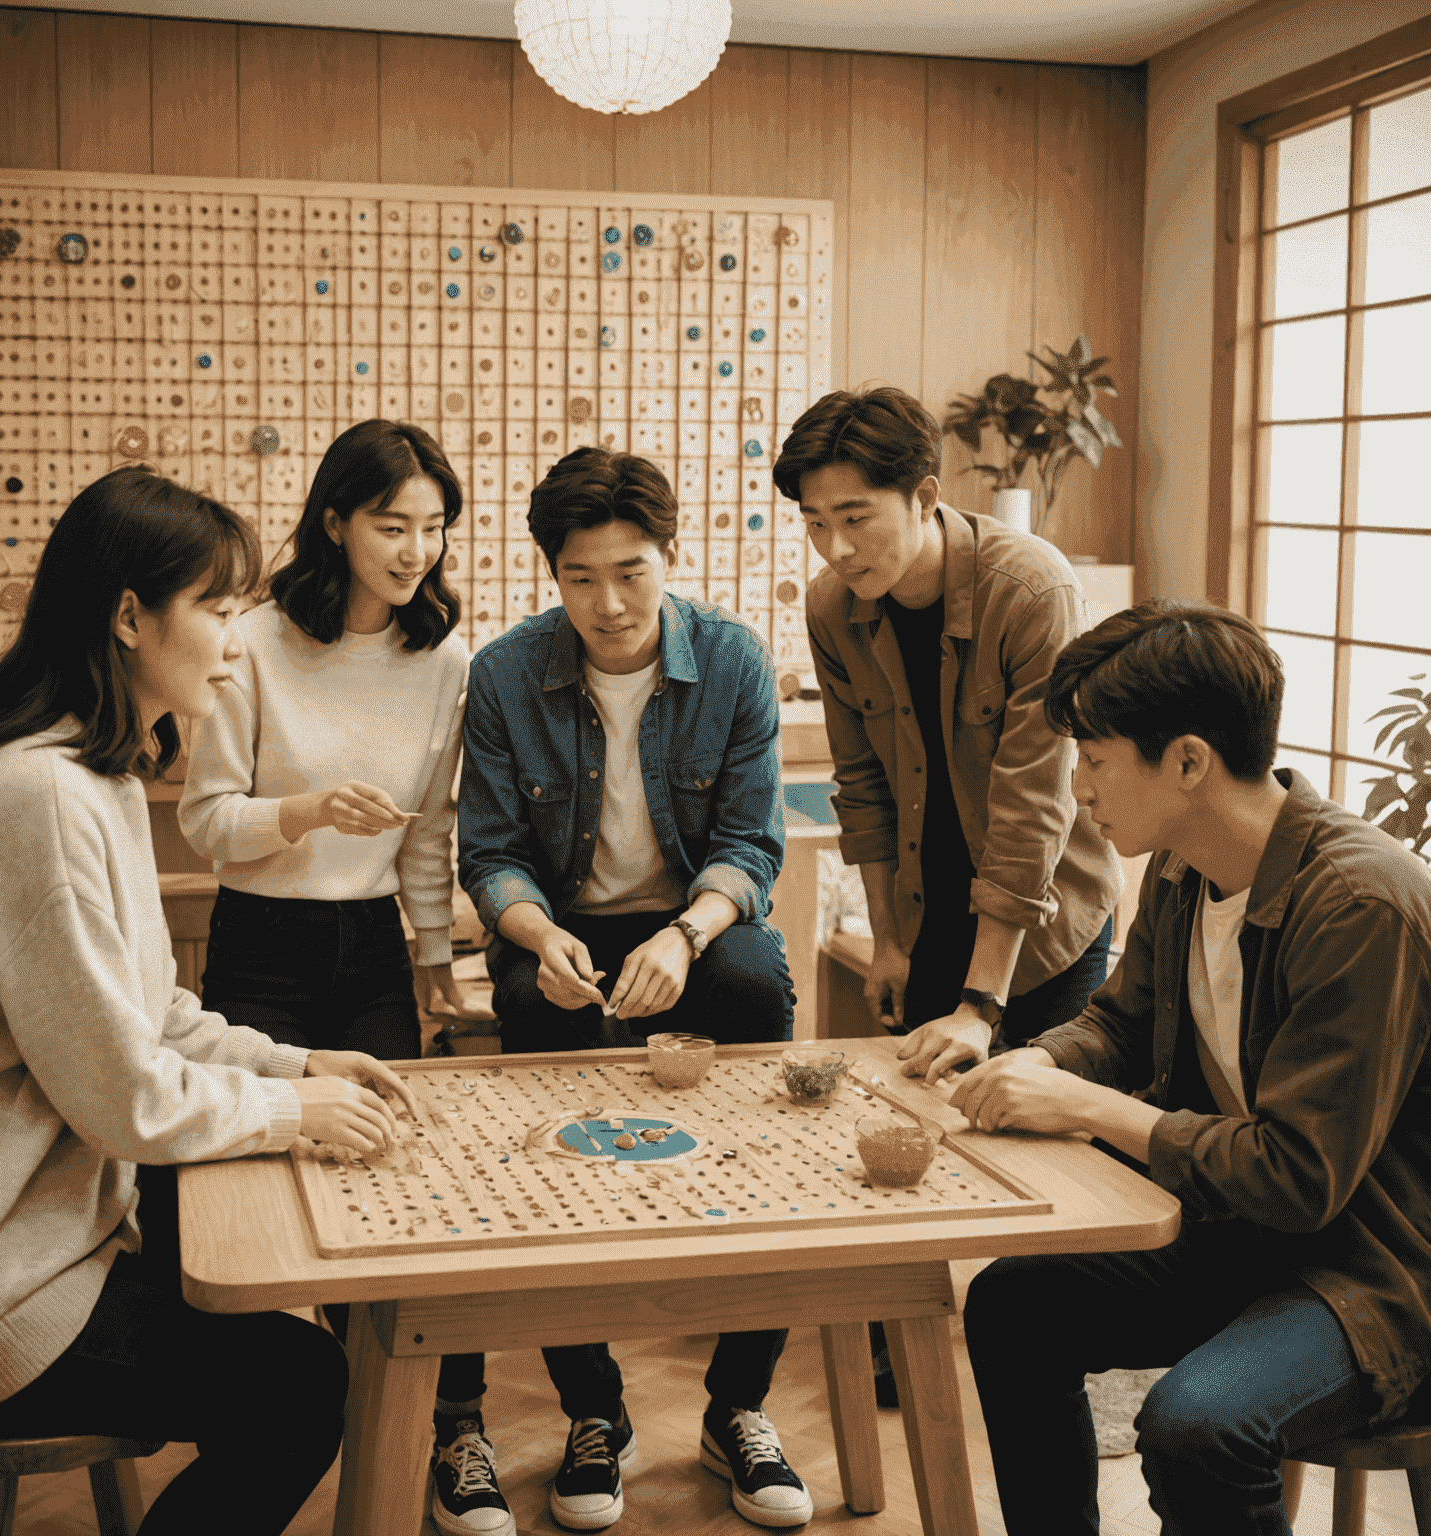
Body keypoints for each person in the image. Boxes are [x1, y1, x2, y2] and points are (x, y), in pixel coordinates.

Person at [0, 468, 410, 1536]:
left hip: (52, 1251)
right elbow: (126, 1096)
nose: (237, 639)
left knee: (278, 1336)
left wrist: (299, 1067)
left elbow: (158, 1015)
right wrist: (292, 1115)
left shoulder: (102, 779)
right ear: (129, 616)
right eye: (219, 611)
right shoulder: (39, 796)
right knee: (299, 1387)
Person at [954, 599, 1431, 1535]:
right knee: (1011, 1305)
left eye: (1093, 760)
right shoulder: (1182, 865)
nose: (1079, 788)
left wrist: (1089, 1109)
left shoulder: (1361, 906)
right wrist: (1026, 1064)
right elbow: (1123, 1026)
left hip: (1376, 1270)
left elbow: (1299, 1178)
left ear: (1186, 761)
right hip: (1247, 1236)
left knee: (1197, 1427)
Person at [456, 446, 810, 1530]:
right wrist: (534, 933)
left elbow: (753, 844)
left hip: (697, 917)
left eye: (631, 572)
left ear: (670, 556)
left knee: (758, 999)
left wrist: (689, 934)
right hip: (559, 922)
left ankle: (738, 1404)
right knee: (538, 1074)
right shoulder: (508, 672)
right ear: (550, 575)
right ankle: (592, 1412)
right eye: (580, 578)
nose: (608, 604)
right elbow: (490, 853)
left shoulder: (735, 662)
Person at [176, 418, 499, 1536]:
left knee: (401, 1199)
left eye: (434, 529)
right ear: (334, 521)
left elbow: (428, 835)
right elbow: (208, 823)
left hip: (371, 948)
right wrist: (308, 812)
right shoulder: (256, 642)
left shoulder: (442, 656)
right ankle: (265, 1427)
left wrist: (435, 961)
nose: (416, 551)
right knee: (246, 1199)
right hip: (260, 943)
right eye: (391, 525)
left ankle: (445, 1429)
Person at [775, 385, 1124, 1401]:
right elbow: (864, 787)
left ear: (923, 496)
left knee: (1043, 1146)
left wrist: (983, 1000)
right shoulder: (834, 608)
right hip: (929, 904)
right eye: (815, 524)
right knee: (913, 1124)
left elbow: (1033, 811)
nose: (837, 548)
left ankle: (1050, 1347)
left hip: (1048, 916)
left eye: (856, 518)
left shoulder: (1030, 586)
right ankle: (904, 1338)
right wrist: (886, 939)